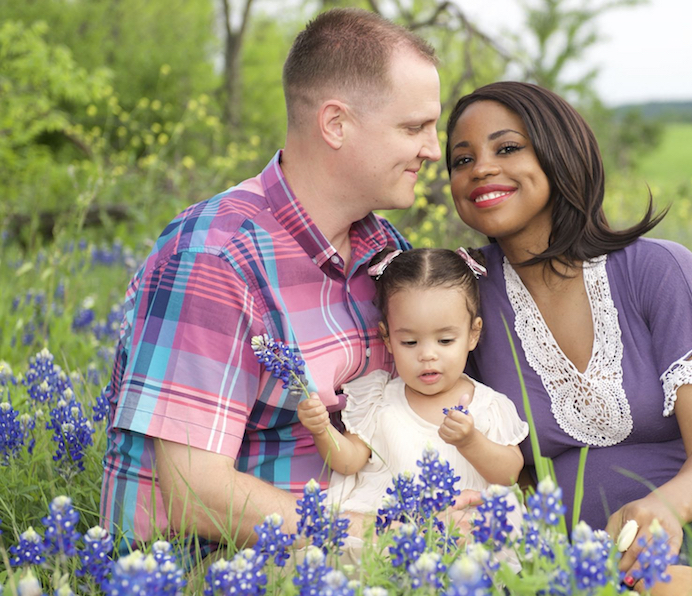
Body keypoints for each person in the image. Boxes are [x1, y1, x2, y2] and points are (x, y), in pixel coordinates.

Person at [445, 81, 692, 596]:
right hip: (579, 557)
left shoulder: (656, 268)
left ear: (558, 151)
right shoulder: (466, 299)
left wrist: (664, 510)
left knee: (661, 586)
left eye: (507, 148)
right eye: (462, 159)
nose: (480, 169)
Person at [98, 8, 449, 560]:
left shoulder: (387, 250)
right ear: (335, 124)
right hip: (214, 578)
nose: (433, 148)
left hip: (357, 541)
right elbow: (196, 493)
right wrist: (383, 540)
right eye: (413, 127)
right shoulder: (214, 255)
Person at [296, 248, 527, 541]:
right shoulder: (378, 398)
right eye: (409, 341)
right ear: (387, 339)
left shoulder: (488, 405)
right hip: (390, 530)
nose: (427, 355)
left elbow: (508, 474)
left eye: (445, 340)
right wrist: (322, 430)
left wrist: (471, 441)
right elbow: (349, 462)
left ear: (473, 334)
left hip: (465, 527)